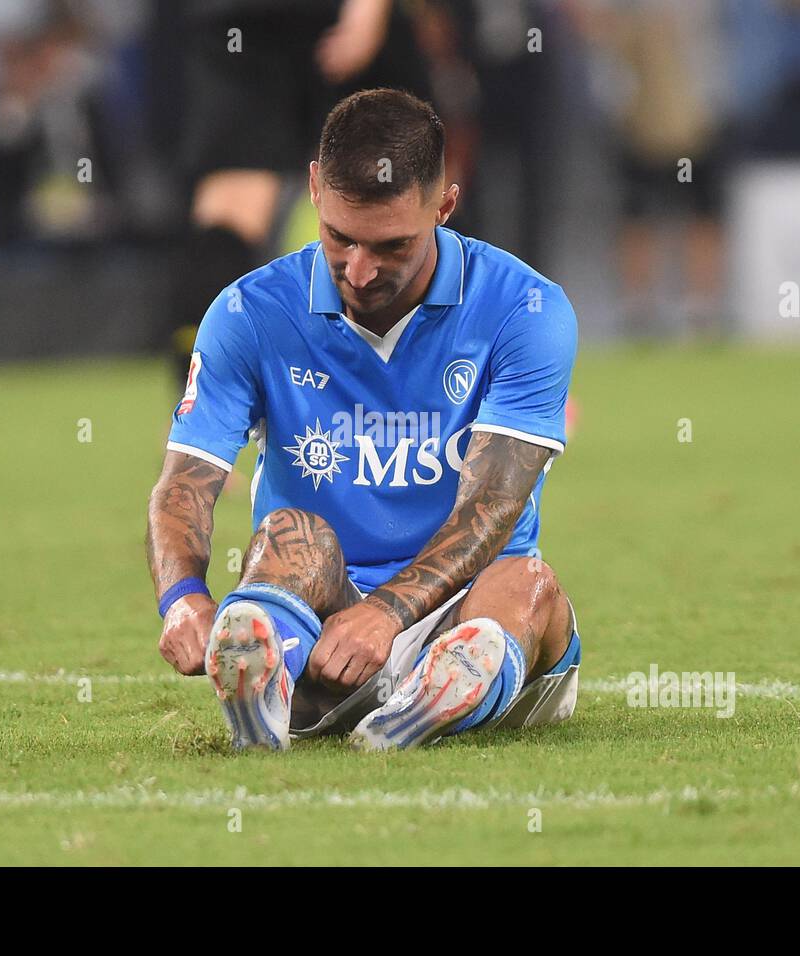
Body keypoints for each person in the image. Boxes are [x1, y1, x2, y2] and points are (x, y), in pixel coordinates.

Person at [146, 89, 581, 751]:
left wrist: (389, 612)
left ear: (444, 204)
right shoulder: (248, 313)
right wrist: (182, 595)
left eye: (391, 246)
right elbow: (185, 482)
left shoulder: (525, 310)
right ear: (315, 189)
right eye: (340, 239)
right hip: (327, 633)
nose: (359, 268)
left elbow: (493, 504)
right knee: (291, 533)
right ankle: (263, 695)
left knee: (528, 583)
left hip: (467, 606)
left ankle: (435, 693)